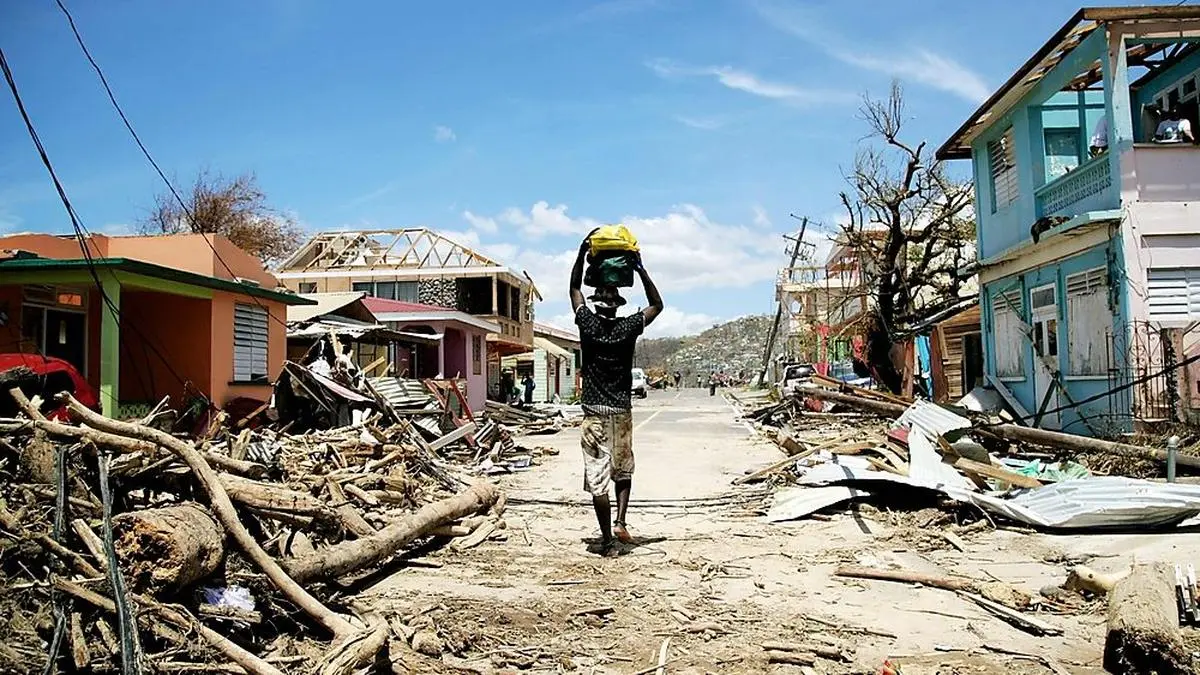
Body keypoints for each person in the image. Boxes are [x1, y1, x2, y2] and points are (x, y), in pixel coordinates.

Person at [570, 232, 664, 557]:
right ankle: (621, 521)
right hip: (621, 413)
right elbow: (657, 305)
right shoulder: (627, 328)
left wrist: (581, 253)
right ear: (618, 303)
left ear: (597, 301)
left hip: (594, 416)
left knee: (598, 481)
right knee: (623, 470)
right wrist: (640, 269)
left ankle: (608, 541)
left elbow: (574, 289)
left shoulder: (587, 325)